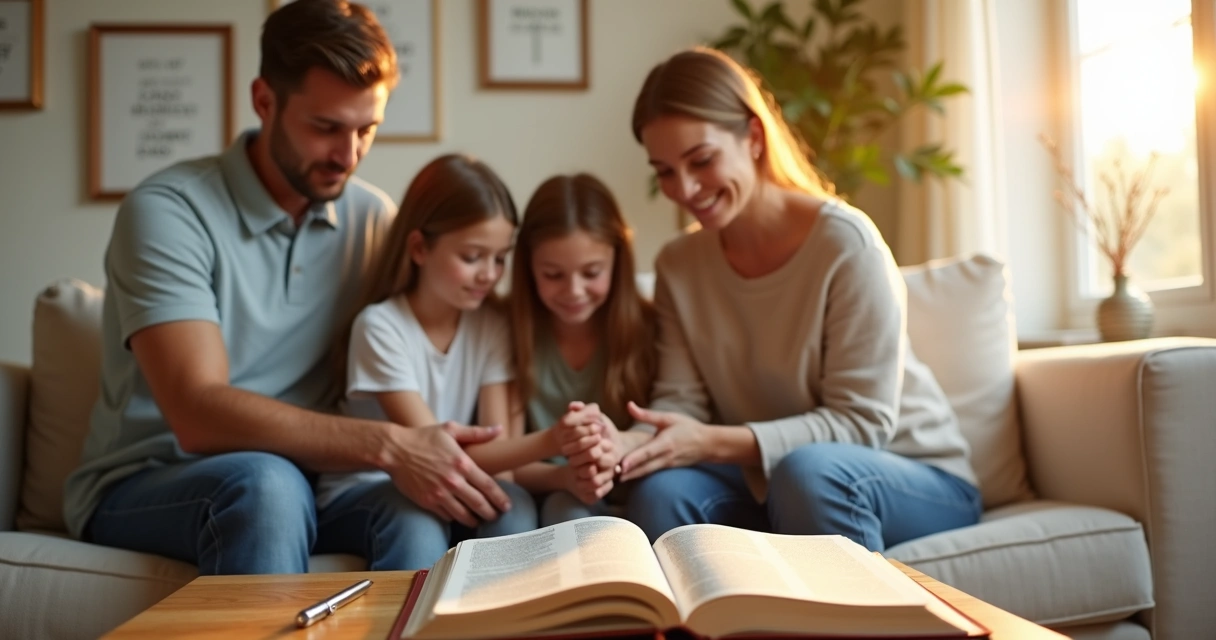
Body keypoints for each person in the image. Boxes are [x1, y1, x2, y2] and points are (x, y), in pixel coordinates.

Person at [63, 0, 516, 575]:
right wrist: (389, 444)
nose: (348, 155)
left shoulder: (372, 221)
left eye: (366, 130)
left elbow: (455, 311)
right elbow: (197, 412)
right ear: (264, 101)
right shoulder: (169, 212)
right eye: (326, 128)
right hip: (154, 478)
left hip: (314, 480)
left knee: (411, 510)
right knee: (267, 483)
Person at [566, 47, 982, 550]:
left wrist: (710, 441)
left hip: (910, 474)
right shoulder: (680, 264)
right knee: (663, 493)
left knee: (809, 473)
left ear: (754, 137)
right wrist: (625, 442)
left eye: (701, 160)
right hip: (775, 476)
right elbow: (681, 404)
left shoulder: (846, 245)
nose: (686, 189)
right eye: (666, 171)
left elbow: (861, 423)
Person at [319, 156, 608, 567]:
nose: (489, 274)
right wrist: (553, 440)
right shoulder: (380, 327)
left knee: (513, 507)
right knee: (415, 521)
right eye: (473, 257)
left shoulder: (491, 325)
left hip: (454, 481)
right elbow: (434, 456)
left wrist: (563, 472)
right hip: (372, 487)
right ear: (419, 248)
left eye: (500, 258)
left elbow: (499, 463)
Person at [506, 174, 657, 526]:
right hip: (541, 492)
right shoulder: (508, 330)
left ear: (617, 262)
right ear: (529, 267)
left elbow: (663, 425)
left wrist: (609, 457)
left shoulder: (650, 327)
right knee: (563, 509)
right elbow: (506, 459)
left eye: (591, 273)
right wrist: (565, 478)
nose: (574, 291)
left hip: (626, 487)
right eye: (553, 274)